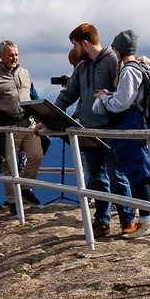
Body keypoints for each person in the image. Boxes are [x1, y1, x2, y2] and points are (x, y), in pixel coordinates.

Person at [87, 29, 150, 236]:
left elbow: (121, 103)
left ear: (118, 49)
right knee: (149, 175)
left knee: (139, 177)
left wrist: (104, 98)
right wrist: (113, 94)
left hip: (133, 129)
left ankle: (145, 223)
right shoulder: (142, 67)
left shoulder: (129, 70)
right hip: (147, 125)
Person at [56, 24, 125, 235]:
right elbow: (68, 94)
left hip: (111, 130)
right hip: (88, 130)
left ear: (85, 43)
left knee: (117, 177)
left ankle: (128, 219)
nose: (74, 49)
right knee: (97, 178)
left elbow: (123, 93)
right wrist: (49, 116)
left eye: (75, 45)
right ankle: (102, 221)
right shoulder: (81, 67)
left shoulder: (112, 60)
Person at [0, 40, 43, 207]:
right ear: (1, 56)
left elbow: (34, 96)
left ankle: (25, 188)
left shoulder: (25, 73)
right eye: (10, 55)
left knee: (36, 156)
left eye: (16, 54)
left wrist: (43, 115)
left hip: (28, 124)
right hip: (8, 126)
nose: (14, 58)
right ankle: (14, 201)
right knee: (9, 165)